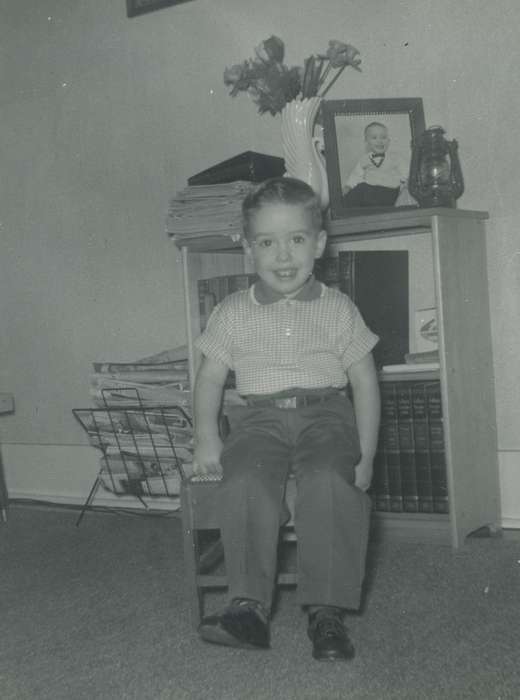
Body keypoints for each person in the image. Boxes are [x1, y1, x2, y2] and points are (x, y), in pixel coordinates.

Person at [192, 176, 381, 661]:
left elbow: (364, 384)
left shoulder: (339, 309)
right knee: (245, 484)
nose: (282, 256)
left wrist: (366, 457)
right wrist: (207, 440)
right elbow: (210, 380)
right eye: (267, 242)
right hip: (258, 420)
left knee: (328, 484)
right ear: (248, 250)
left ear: (318, 244)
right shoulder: (233, 312)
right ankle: (248, 605)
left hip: (326, 416)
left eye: (296, 240)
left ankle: (326, 611)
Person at [343, 121, 409, 207]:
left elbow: (406, 172)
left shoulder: (395, 158)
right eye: (374, 138)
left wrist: (404, 183)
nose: (380, 141)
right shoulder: (363, 160)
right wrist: (348, 186)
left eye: (383, 137)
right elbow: (356, 175)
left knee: (362, 189)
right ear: (366, 142)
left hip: (390, 192)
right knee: (360, 189)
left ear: (388, 141)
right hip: (371, 192)